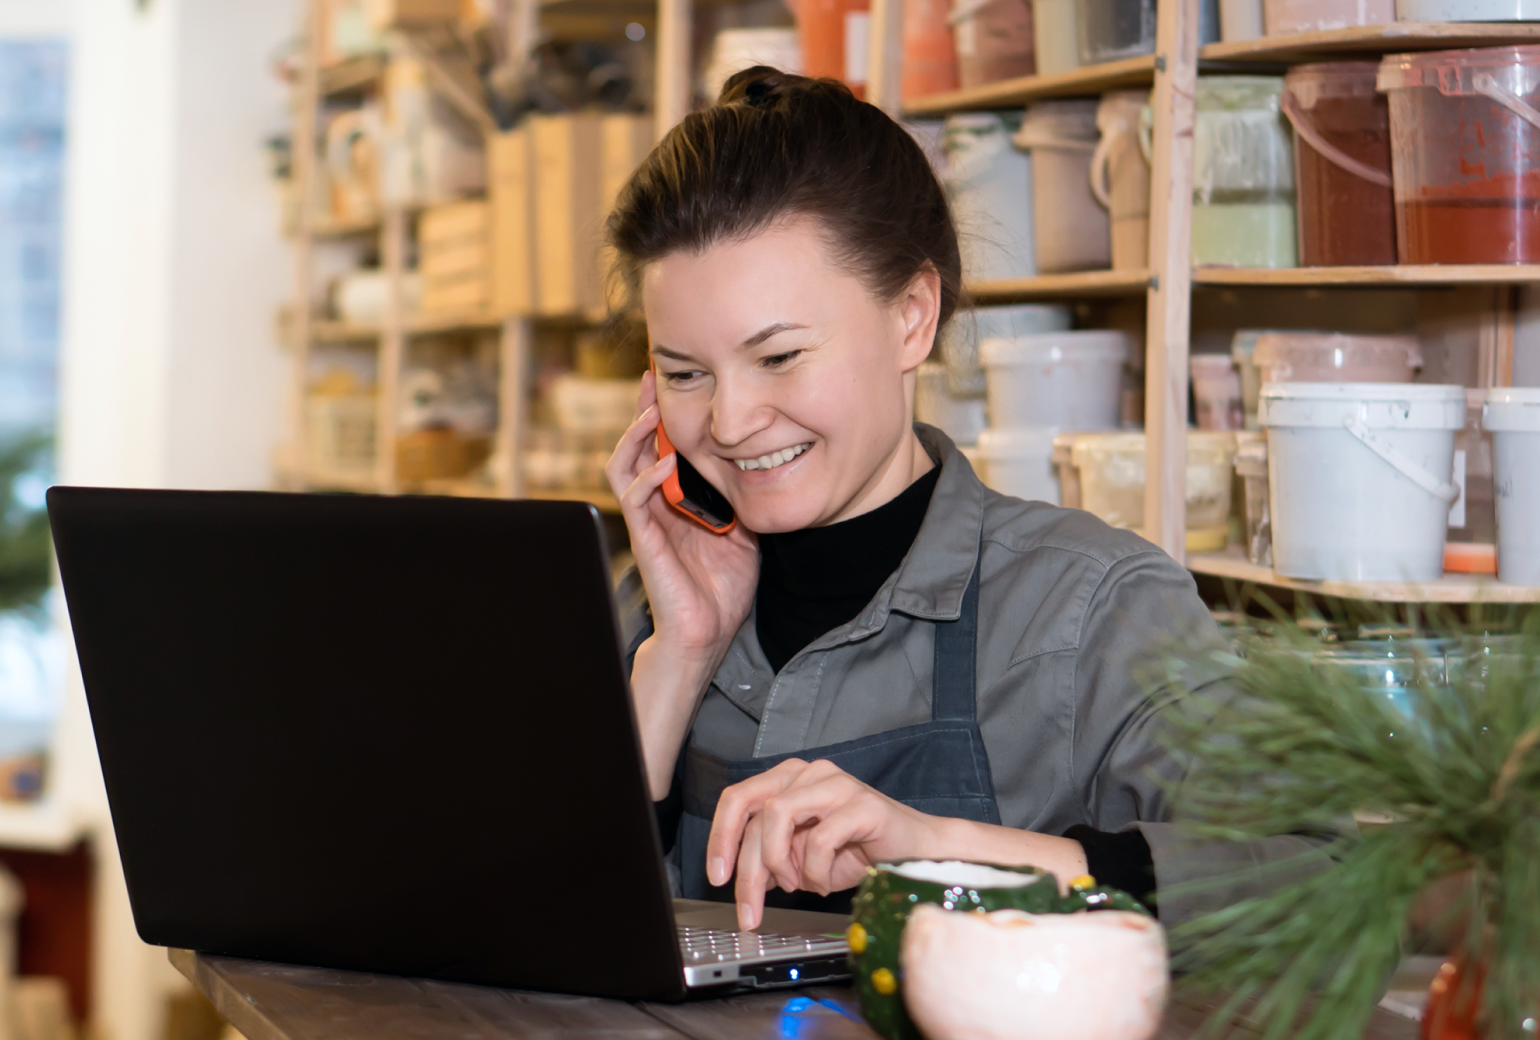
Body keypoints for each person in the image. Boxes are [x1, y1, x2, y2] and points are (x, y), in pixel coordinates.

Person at [602, 67, 1334, 933]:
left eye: (780, 357)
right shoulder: (650, 612)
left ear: (912, 316)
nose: (729, 420)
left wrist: (941, 852)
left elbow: (1323, 881)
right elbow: (529, 934)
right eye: (685, 373)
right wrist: (675, 664)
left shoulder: (1087, 608)